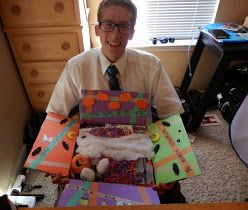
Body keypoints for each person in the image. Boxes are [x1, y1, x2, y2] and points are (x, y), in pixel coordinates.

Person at [46, 0, 186, 204]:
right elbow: (56, 116)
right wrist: (55, 165)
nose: (115, 34)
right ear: (97, 29)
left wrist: (169, 170)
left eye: (123, 26)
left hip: (141, 148)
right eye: (108, 24)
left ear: (132, 32)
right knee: (71, 201)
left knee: (171, 200)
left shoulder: (151, 65)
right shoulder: (76, 66)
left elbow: (171, 115)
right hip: (91, 150)